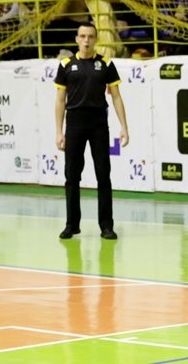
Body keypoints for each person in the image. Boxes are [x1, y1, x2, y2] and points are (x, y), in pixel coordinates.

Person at [54, 21, 130, 240]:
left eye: (90, 36)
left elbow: (116, 97)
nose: (86, 40)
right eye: (83, 36)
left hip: (98, 123)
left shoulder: (105, 64)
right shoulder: (66, 65)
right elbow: (60, 101)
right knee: (72, 176)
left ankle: (106, 226)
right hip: (74, 123)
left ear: (96, 39)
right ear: (77, 39)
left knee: (103, 175)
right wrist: (59, 131)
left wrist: (124, 127)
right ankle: (71, 224)